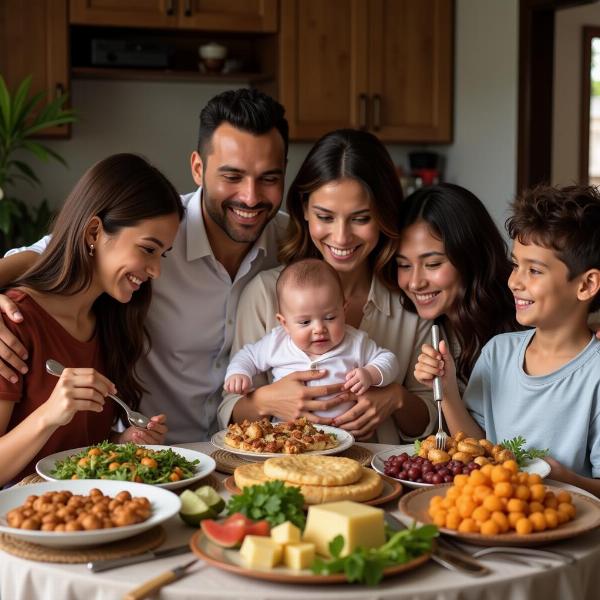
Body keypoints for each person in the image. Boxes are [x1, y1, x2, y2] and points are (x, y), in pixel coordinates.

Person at [0, 89, 289, 443]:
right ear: (198, 168)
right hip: (162, 460)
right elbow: (60, 252)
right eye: (232, 176)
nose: (250, 196)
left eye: (269, 178)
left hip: (252, 453)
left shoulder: (291, 242)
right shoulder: (156, 227)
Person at [219, 129, 435, 442]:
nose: (341, 237)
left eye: (360, 218)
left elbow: (431, 418)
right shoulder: (266, 293)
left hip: (384, 480)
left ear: (384, 215)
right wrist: (267, 401)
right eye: (325, 216)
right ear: (305, 209)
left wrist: (395, 398)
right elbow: (230, 409)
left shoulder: (408, 300)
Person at [0, 153, 184, 486]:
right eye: (148, 249)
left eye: (162, 254)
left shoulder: (110, 322)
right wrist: (49, 415)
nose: (156, 270)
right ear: (95, 232)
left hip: (89, 516)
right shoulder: (13, 323)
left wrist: (121, 443)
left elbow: (70, 454)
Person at [415, 184, 600, 497]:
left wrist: (561, 477)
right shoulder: (498, 352)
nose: (514, 281)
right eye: (516, 264)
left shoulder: (594, 373)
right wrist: (446, 390)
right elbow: (475, 446)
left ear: (586, 285)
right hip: (494, 515)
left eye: (535, 271)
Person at [224, 258, 399, 418]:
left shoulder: (355, 342)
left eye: (330, 318)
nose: (319, 329)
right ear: (284, 323)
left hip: (345, 437)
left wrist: (370, 374)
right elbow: (247, 356)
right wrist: (239, 373)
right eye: (305, 322)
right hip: (288, 438)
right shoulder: (277, 342)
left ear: (344, 311)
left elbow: (389, 360)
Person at [396, 183, 519, 387]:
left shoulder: (519, 326)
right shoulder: (418, 328)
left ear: (470, 256)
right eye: (404, 265)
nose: (416, 283)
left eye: (433, 264)